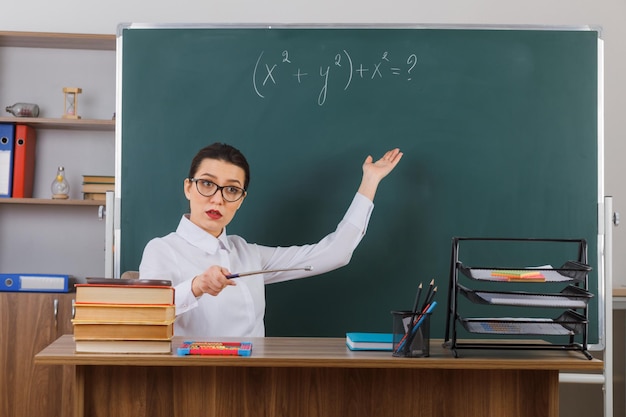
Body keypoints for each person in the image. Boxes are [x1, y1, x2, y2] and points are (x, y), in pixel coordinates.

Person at [139, 143, 403, 337]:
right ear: (188, 187)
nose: (217, 199)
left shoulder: (247, 254)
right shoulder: (162, 249)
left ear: (241, 200)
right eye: (207, 184)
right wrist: (197, 286)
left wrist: (370, 181)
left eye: (231, 189)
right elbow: (145, 318)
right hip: (195, 385)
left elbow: (335, 253)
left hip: (258, 385)